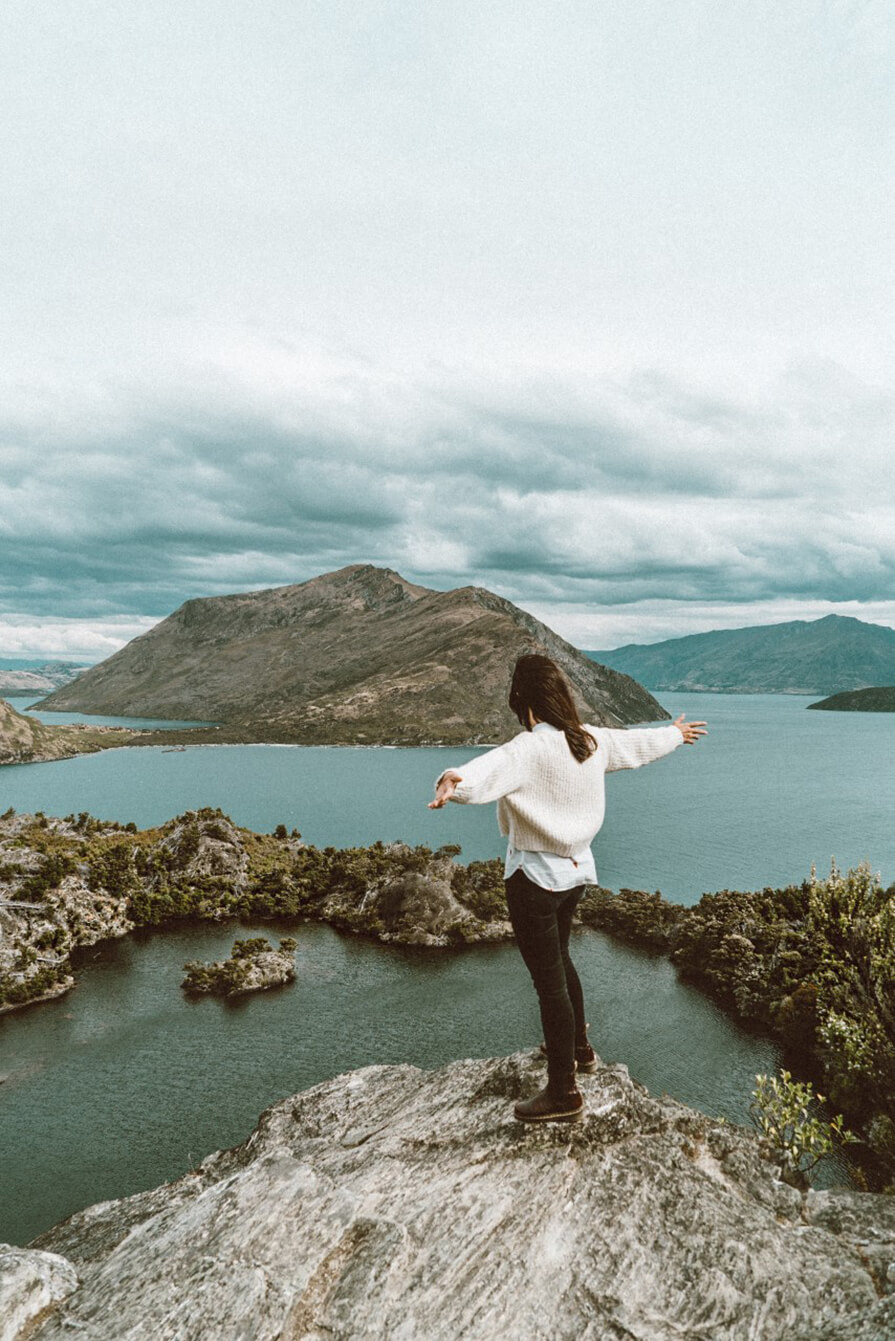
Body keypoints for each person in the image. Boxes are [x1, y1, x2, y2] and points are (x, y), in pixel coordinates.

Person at [428, 653, 706, 1124]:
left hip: (533, 879)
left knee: (549, 983)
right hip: (576, 874)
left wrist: (453, 780)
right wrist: (675, 734)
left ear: (523, 702)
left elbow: (486, 770)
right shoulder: (589, 740)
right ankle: (580, 1049)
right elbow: (637, 745)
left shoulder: (529, 748)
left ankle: (563, 1091)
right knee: (562, 960)